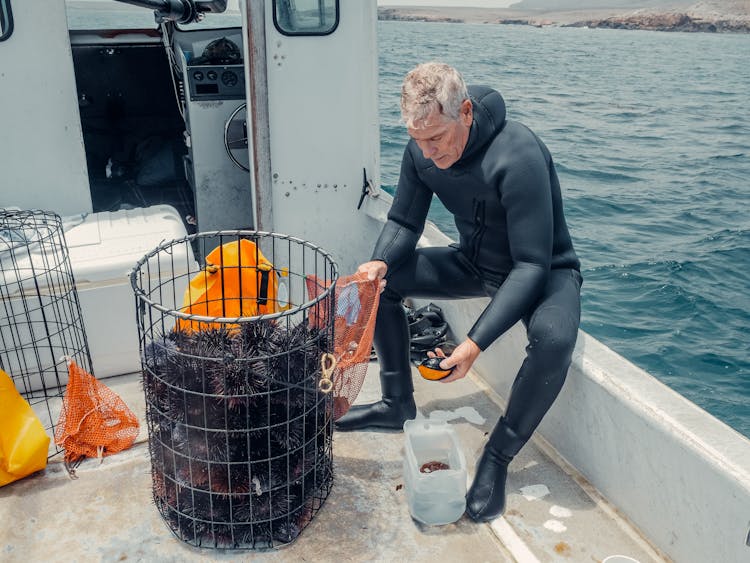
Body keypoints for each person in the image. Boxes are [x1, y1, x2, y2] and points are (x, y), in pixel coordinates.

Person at [335, 61, 582, 523]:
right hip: (475, 263)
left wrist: (472, 345)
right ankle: (395, 403)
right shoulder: (421, 150)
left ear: (466, 111)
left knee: (553, 340)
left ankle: (498, 457)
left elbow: (531, 264)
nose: (427, 153)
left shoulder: (518, 153)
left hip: (545, 272)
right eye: (417, 139)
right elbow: (405, 222)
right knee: (383, 283)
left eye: (436, 139)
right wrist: (379, 262)